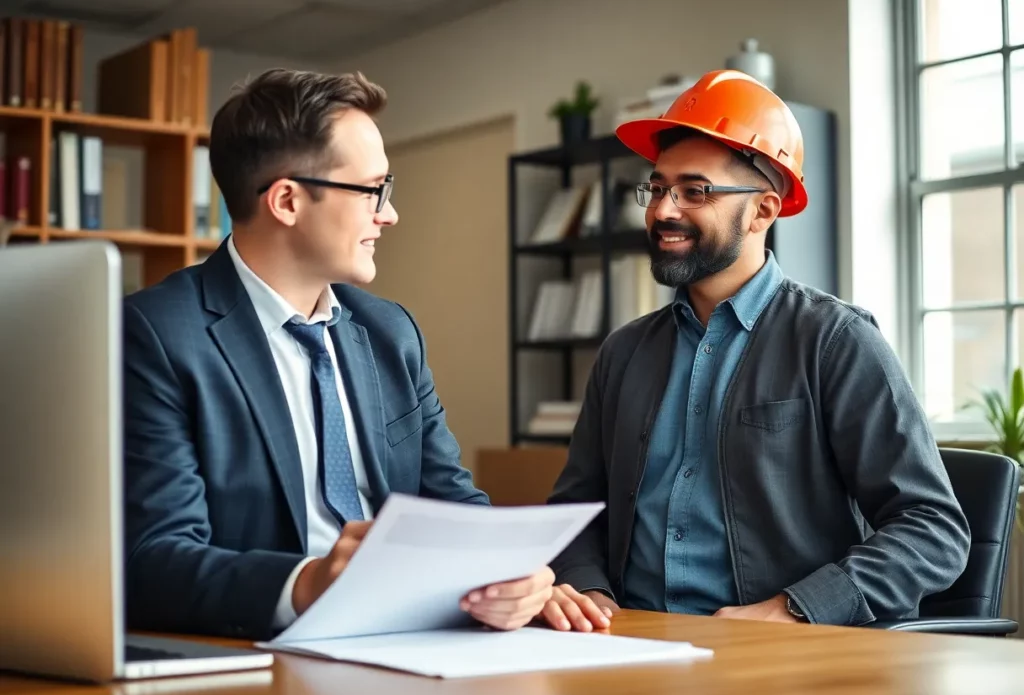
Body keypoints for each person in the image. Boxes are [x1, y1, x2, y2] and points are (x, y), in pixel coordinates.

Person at [122, 68, 554, 641]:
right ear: (287, 200)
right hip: (266, 651)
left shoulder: (389, 331)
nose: (389, 214)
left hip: (421, 640)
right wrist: (308, 583)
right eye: (374, 190)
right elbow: (153, 562)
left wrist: (513, 576)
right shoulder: (157, 333)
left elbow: (455, 508)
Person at [537, 70, 971, 631]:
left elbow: (932, 527)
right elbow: (576, 512)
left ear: (764, 211)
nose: (663, 210)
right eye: (658, 187)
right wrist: (588, 590)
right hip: (627, 639)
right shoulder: (624, 353)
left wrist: (796, 610)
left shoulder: (836, 342)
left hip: (780, 654)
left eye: (695, 191)